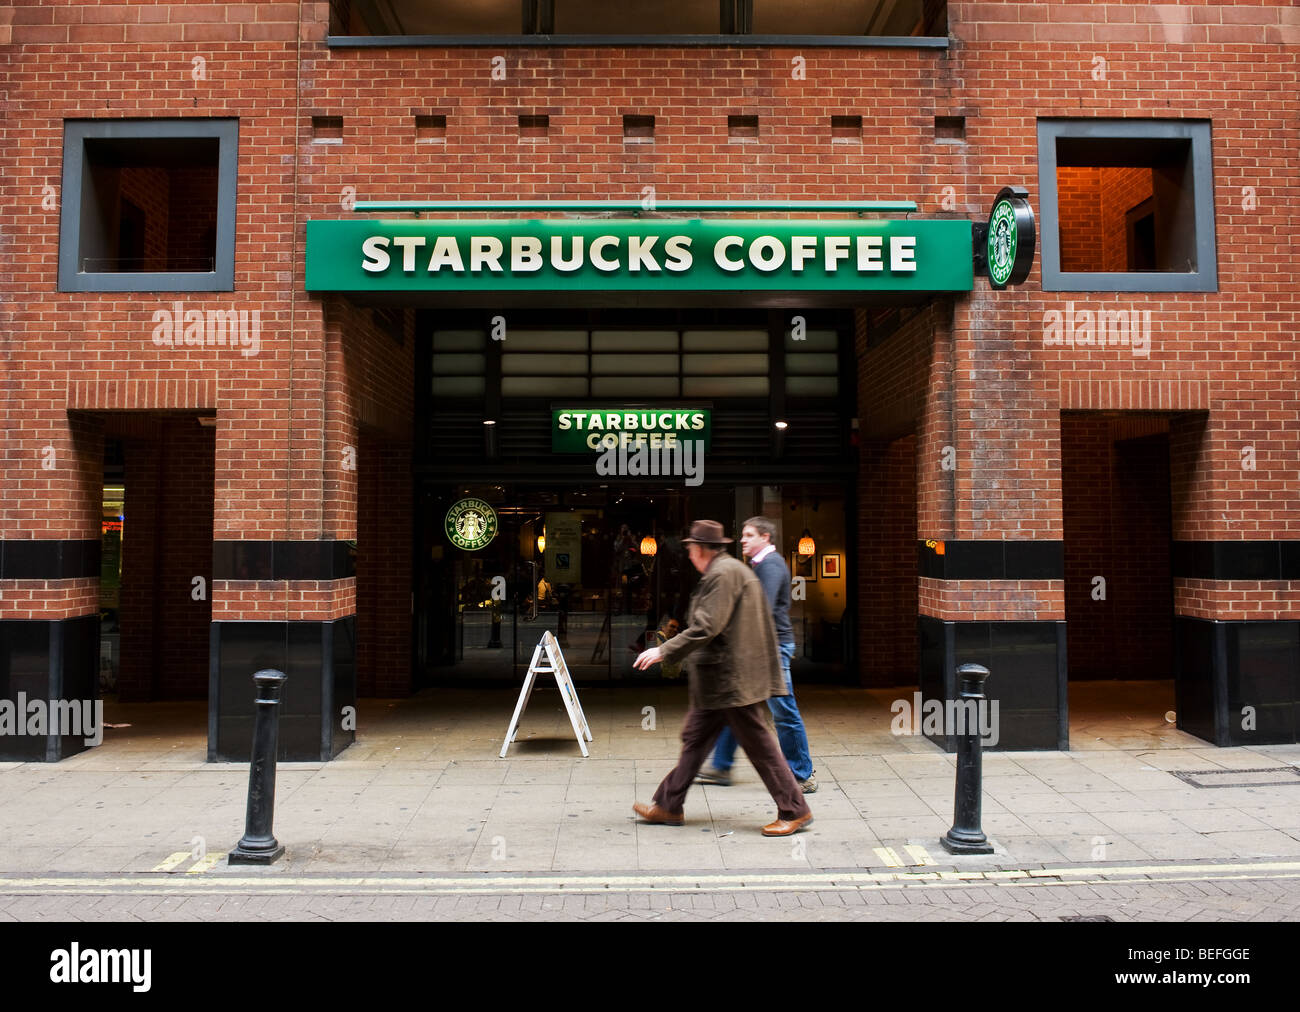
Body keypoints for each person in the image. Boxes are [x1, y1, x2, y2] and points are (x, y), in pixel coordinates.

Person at [631, 520, 813, 837]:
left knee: (759, 745)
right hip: (720, 680)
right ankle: (669, 805)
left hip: (731, 679)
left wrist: (664, 652)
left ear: (701, 549)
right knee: (695, 741)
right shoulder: (724, 571)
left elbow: (706, 627)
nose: (688, 555)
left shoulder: (723, 575)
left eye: (690, 549)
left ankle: (794, 810)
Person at [697, 516, 817, 792]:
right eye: (743, 535)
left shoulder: (771, 566)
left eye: (749, 535)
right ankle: (721, 766)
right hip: (764, 647)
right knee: (739, 704)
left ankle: (802, 773)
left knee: (784, 711)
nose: (743, 540)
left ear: (765, 538)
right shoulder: (761, 565)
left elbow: (760, 607)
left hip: (772, 649)